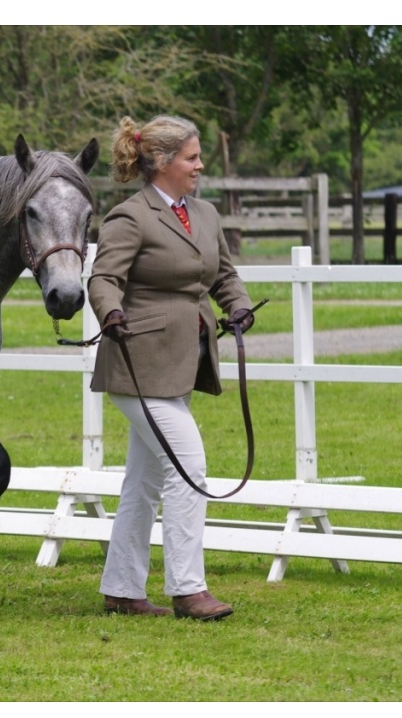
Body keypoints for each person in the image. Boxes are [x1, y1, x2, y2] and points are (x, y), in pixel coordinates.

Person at [87, 115, 255, 621]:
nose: (200, 165)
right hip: (138, 363)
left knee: (144, 479)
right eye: (191, 157)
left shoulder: (203, 214)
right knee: (189, 466)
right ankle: (188, 589)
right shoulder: (129, 217)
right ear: (161, 162)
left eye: (198, 157)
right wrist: (110, 311)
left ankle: (121, 590)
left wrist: (239, 305)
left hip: (185, 363)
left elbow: (222, 273)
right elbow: (103, 278)